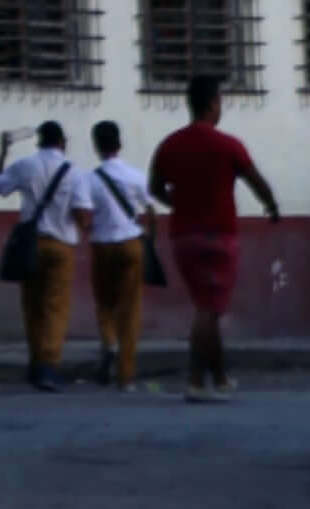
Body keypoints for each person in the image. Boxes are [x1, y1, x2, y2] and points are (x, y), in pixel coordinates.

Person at [149, 74, 283, 400]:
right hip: (219, 237)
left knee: (207, 305)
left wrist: (176, 202)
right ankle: (196, 382)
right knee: (208, 309)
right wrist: (271, 206)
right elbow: (256, 181)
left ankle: (220, 377)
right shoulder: (228, 145)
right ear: (213, 104)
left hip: (183, 238)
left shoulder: (169, 144)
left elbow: (154, 188)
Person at [0, 116, 89, 391]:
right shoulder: (74, 173)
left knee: (32, 306)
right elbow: (81, 214)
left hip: (31, 244)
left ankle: (35, 363)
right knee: (55, 308)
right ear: (62, 142)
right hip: (61, 246)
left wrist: (2, 152)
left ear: (39, 141)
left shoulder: (25, 166)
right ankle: (48, 365)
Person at [82, 120, 156, 393]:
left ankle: (109, 343)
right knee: (131, 309)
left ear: (96, 146)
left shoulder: (89, 179)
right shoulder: (135, 175)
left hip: (102, 245)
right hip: (131, 243)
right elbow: (150, 211)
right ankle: (126, 377)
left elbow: (83, 212)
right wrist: (149, 238)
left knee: (104, 304)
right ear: (120, 144)